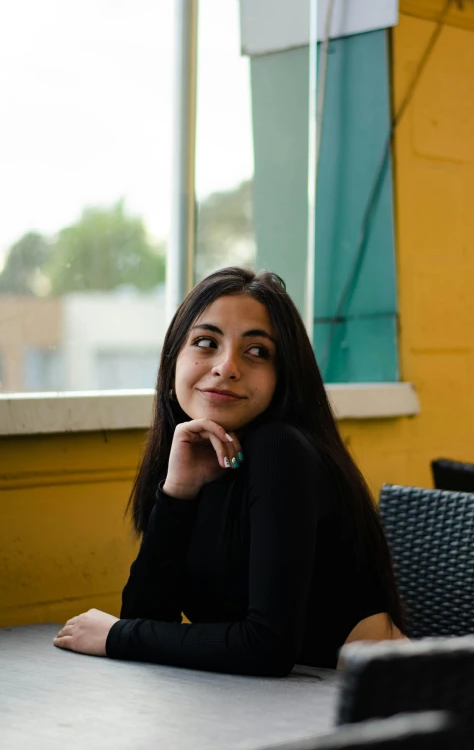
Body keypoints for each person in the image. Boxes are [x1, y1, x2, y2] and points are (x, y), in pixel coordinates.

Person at [54, 267, 406, 675]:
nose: (226, 366)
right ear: (172, 365)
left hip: (378, 704)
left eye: (257, 351)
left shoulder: (281, 449)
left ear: (283, 379)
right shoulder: (198, 456)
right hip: (273, 706)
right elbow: (147, 614)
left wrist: (117, 636)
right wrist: (178, 492)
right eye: (206, 342)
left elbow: (268, 648)